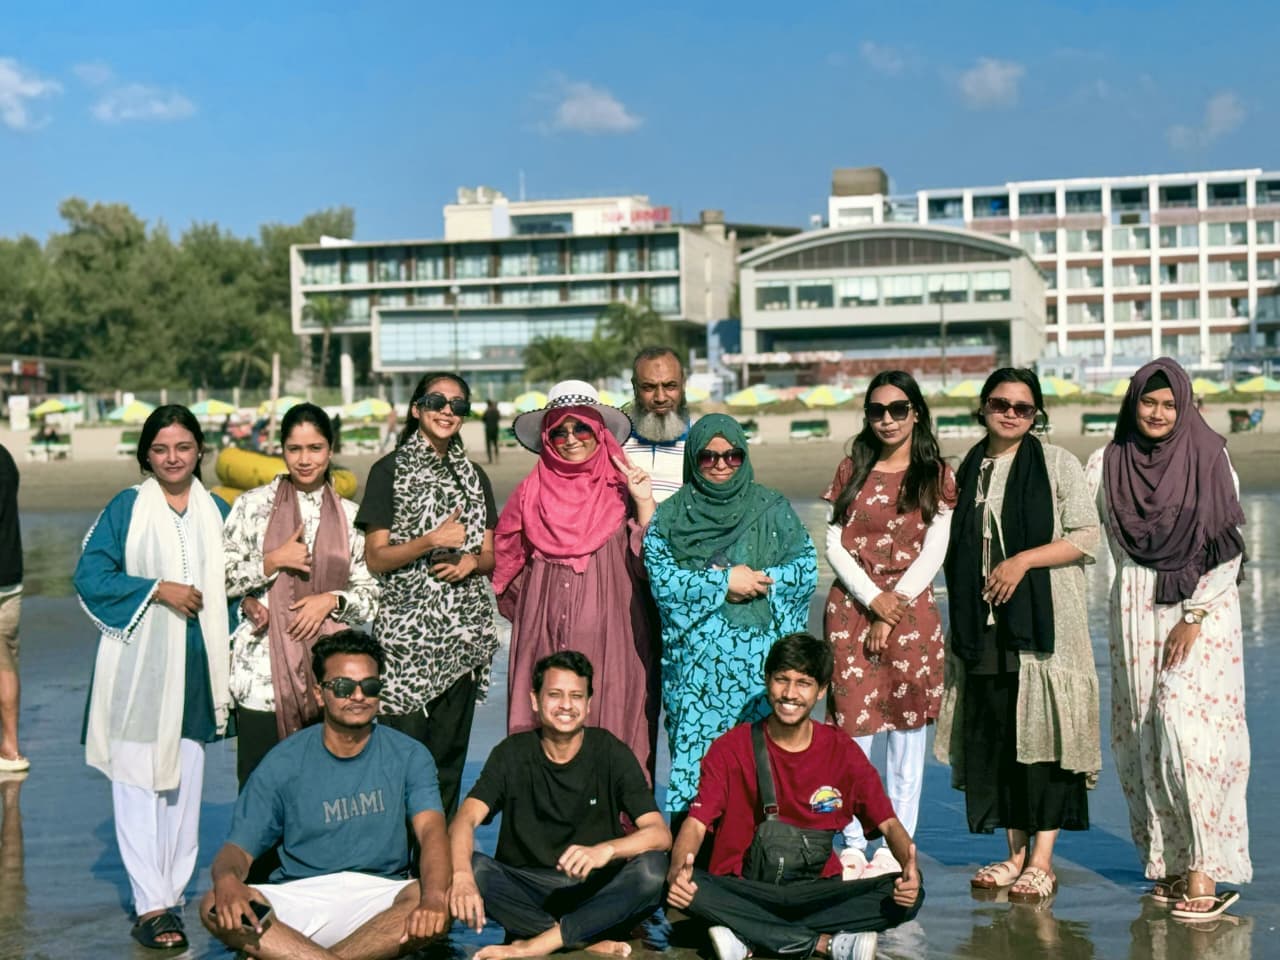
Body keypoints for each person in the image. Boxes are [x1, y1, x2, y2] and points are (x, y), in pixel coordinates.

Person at [1085, 358, 1250, 921]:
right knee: (1143, 736)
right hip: (1133, 608)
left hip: (1200, 610)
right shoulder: (1107, 463)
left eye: (1168, 404)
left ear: (1185, 407)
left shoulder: (1210, 456)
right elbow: (1085, 533)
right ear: (1132, 404)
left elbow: (1228, 549)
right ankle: (1171, 865)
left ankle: (1206, 867)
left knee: (1188, 731)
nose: (1156, 414)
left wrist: (1194, 613)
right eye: (1147, 403)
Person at [934, 368, 1101, 904]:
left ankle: (1042, 861)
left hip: (1045, 623)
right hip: (982, 627)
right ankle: (1012, 854)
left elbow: (1087, 535)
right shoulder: (965, 468)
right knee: (999, 736)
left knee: (1045, 740)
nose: (1011, 414)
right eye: (1001, 404)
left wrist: (1021, 561)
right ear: (983, 407)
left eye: (1023, 408)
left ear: (1036, 416)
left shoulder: (1057, 464)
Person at [73, 405, 233, 949]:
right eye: (161, 449)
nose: (172, 458)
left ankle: (172, 892)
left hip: (197, 669)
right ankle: (152, 905)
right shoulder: (127, 506)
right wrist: (158, 589)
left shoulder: (217, 508)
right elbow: (91, 573)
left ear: (199, 452)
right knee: (138, 781)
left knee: (185, 785)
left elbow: (236, 581)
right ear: (146, 455)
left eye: (183, 448)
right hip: (139, 668)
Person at [666, 633, 923, 960]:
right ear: (767, 681)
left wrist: (909, 869)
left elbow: (888, 823)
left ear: (822, 690)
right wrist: (678, 869)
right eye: (781, 680)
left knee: (907, 896)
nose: (789, 693)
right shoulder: (730, 747)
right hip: (745, 888)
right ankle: (826, 944)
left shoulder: (842, 751)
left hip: (815, 892)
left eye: (803, 683)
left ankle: (747, 937)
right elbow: (697, 824)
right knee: (687, 890)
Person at [200, 630, 450, 959]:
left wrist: (434, 900)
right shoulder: (283, 762)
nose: (358, 696)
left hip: (380, 896)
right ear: (320, 694)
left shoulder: (410, 755)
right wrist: (228, 881)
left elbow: (432, 832)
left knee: (430, 897)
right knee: (213, 905)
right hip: (300, 897)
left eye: (370, 686)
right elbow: (237, 851)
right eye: (344, 687)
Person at [644, 413, 817, 821]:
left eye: (732, 456)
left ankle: (761, 852)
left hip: (759, 674)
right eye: (708, 457)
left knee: (761, 763)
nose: (721, 465)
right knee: (698, 765)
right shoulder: (669, 518)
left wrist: (760, 580)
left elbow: (806, 568)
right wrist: (723, 582)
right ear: (693, 460)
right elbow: (663, 581)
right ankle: (694, 859)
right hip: (696, 675)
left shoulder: (772, 509)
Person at [449, 651, 671, 958]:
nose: (566, 705)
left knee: (653, 869)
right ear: (534, 700)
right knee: (473, 867)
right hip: (528, 891)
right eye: (554, 695)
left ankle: (540, 941)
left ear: (589, 704)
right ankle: (579, 939)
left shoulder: (609, 751)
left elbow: (659, 834)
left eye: (576, 696)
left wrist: (606, 850)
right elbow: (465, 819)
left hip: (592, 891)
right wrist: (460, 876)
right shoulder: (512, 752)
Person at [822, 371, 956, 879]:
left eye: (898, 409)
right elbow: (834, 543)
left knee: (905, 732)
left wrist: (893, 603)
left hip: (912, 613)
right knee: (852, 730)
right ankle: (853, 837)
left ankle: (895, 842)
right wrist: (873, 599)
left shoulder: (937, 474)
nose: (887, 419)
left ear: (915, 412)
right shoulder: (851, 468)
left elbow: (934, 551)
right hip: (852, 609)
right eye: (877, 411)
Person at [493, 380, 659, 777]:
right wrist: (541, 611)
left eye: (581, 428)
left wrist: (645, 502)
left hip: (615, 639)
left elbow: (651, 564)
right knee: (543, 720)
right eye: (559, 431)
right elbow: (507, 565)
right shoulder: (529, 493)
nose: (571, 439)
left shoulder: (623, 490)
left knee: (612, 719)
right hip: (542, 633)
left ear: (599, 432)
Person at [356, 372, 499, 817]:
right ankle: (398, 872)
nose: (446, 411)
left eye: (458, 405)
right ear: (417, 408)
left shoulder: (475, 478)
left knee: (448, 766)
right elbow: (376, 559)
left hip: (462, 642)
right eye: (437, 401)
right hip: (406, 646)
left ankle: (434, 872)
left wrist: (471, 562)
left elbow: (491, 556)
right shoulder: (388, 472)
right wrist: (429, 541)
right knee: (403, 765)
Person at [222, 402, 380, 788]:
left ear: (330, 450)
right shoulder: (252, 506)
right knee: (260, 789)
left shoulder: (349, 515)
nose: (305, 460)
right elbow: (220, 579)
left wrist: (332, 600)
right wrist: (271, 560)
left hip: (330, 679)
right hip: (262, 675)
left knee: (323, 791)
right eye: (295, 449)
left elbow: (373, 592)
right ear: (281, 450)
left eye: (315, 449)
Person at [621, 346, 689, 503]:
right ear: (635, 387)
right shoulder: (617, 442)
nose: (660, 397)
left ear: (683, 384)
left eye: (670, 386)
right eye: (649, 387)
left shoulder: (702, 442)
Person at [0, 442, 26, 773]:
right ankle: (11, 741)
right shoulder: (5, 457)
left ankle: (9, 746)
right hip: (10, 574)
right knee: (6, 657)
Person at [483, 398, 502, 464]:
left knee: (488, 445)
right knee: (495, 444)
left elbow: (483, 419)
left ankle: (490, 459)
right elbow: (499, 418)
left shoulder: (487, 411)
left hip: (488, 430)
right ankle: (497, 458)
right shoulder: (496, 411)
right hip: (495, 429)